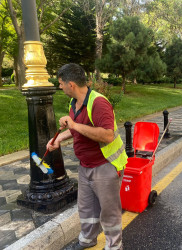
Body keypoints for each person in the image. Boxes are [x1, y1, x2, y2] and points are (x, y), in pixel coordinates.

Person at [46, 63, 127, 250]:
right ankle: (87, 240)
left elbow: (107, 135)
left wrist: (73, 126)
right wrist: (59, 139)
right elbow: (78, 128)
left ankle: (115, 246)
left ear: (71, 84)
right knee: (87, 209)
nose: (60, 87)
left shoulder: (98, 103)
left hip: (105, 166)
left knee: (109, 212)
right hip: (86, 166)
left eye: (60, 83)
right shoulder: (74, 103)